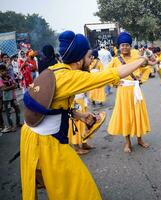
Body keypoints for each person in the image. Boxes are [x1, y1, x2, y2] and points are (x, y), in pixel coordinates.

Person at [20, 30, 150, 200]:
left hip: (30, 135)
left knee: (56, 186)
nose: (91, 61)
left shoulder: (56, 68)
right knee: (81, 190)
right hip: (46, 143)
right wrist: (142, 60)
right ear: (79, 59)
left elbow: (54, 104)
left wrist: (80, 115)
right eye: (89, 57)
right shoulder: (71, 76)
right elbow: (113, 74)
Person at [107, 32, 151, 153]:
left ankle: (140, 139)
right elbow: (108, 74)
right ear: (119, 47)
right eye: (122, 45)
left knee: (137, 114)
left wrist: (142, 80)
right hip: (123, 92)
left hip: (135, 90)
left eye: (127, 45)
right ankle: (127, 142)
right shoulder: (116, 60)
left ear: (130, 46)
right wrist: (115, 83)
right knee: (126, 116)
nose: (125, 47)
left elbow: (146, 68)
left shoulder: (137, 58)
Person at [0, 63, 21, 133]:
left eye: (4, 70)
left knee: (17, 110)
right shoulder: (0, 79)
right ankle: (11, 126)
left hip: (13, 97)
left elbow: (15, 84)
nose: (4, 72)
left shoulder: (9, 77)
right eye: (2, 71)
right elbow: (3, 89)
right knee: (9, 113)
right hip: (6, 99)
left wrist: (13, 86)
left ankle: (18, 123)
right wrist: (12, 86)